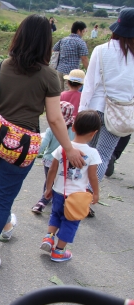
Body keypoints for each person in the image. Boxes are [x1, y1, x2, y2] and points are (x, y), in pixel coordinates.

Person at [0, 14, 85, 271]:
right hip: (20, 148)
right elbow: (55, 120)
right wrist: (69, 148)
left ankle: (7, 226)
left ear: (19, 37)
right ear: (46, 43)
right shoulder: (49, 76)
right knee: (2, 198)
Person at [78, 8, 134, 211]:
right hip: (119, 114)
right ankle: (86, 198)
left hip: (95, 110)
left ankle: (76, 192)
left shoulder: (101, 50)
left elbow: (90, 85)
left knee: (88, 152)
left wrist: (81, 112)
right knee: (102, 155)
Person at [40, 110, 101, 262]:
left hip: (58, 192)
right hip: (76, 197)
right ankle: (59, 252)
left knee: (55, 214)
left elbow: (52, 170)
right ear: (94, 133)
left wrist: (48, 188)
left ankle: (48, 237)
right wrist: (96, 193)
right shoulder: (92, 153)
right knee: (70, 222)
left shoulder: (63, 148)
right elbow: (93, 176)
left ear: (72, 127)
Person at [32, 101, 75, 214]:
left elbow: (42, 146)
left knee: (49, 182)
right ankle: (64, 202)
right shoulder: (74, 130)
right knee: (64, 182)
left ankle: (43, 201)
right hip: (68, 161)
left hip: (50, 161)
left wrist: (31, 154)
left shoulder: (51, 130)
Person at [53, 21, 89, 91]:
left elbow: (54, 50)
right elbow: (84, 59)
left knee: (60, 93)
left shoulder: (63, 40)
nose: (83, 33)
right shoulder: (80, 42)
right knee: (69, 93)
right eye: (83, 31)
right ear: (79, 31)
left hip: (59, 70)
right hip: (71, 73)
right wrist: (89, 71)